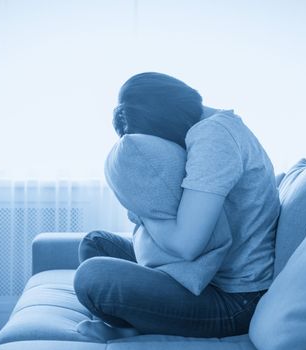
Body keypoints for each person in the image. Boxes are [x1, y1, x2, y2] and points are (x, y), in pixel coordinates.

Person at [73, 72, 280, 340]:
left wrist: (145, 211)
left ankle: (135, 329)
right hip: (201, 275)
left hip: (235, 300)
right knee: (96, 243)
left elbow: (187, 244)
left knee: (93, 277)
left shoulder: (213, 138)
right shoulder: (213, 127)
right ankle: (144, 322)